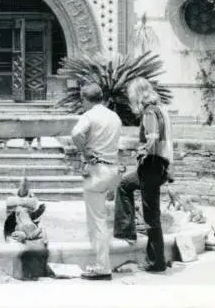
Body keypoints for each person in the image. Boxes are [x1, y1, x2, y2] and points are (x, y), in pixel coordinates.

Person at [113, 77, 174, 273]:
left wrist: (141, 152)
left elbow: (153, 138)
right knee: (127, 186)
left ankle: (154, 260)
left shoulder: (149, 112)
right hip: (160, 165)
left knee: (150, 215)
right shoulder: (161, 109)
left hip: (151, 166)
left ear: (137, 95)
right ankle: (154, 257)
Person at [69, 83, 123, 281]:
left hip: (97, 170)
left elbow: (76, 134)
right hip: (112, 169)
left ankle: (102, 267)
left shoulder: (89, 116)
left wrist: (84, 150)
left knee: (97, 222)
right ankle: (104, 262)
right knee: (103, 219)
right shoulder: (114, 116)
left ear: (85, 99)